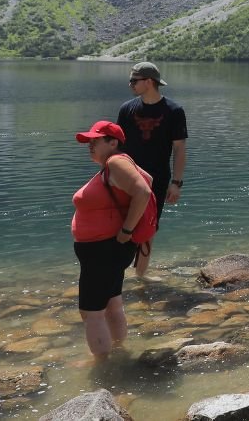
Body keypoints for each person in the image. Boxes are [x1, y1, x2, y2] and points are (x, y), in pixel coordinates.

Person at [71, 120, 153, 357]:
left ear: (113, 142)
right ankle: (117, 352)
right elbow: (148, 179)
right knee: (112, 305)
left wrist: (126, 230)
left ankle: (103, 366)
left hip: (104, 249)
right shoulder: (118, 164)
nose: (90, 145)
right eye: (89, 141)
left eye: (95, 140)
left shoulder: (116, 162)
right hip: (110, 249)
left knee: (91, 312)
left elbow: (144, 191)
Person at [116, 61, 186, 276]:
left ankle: (140, 279)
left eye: (134, 81)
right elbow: (117, 147)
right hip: (126, 178)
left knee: (147, 229)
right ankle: (118, 275)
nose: (130, 85)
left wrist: (176, 183)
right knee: (121, 226)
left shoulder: (174, 111)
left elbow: (179, 148)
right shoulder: (127, 109)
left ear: (149, 82)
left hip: (157, 179)